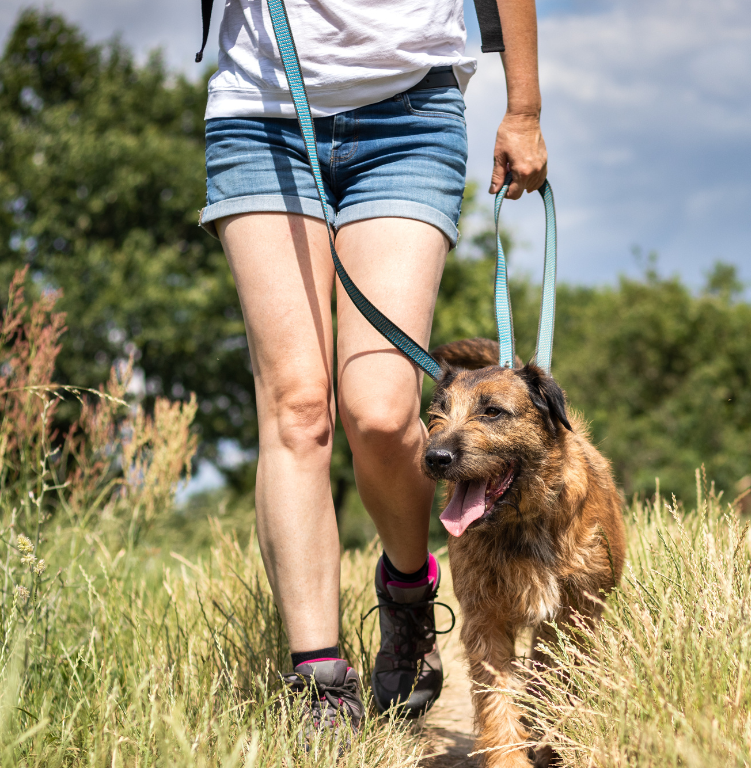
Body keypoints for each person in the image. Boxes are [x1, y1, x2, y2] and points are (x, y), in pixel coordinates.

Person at [198, 0, 548, 732]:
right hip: (261, 109)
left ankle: (408, 593)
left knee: (384, 413)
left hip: (409, 111)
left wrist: (523, 108)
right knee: (296, 408)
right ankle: (320, 679)